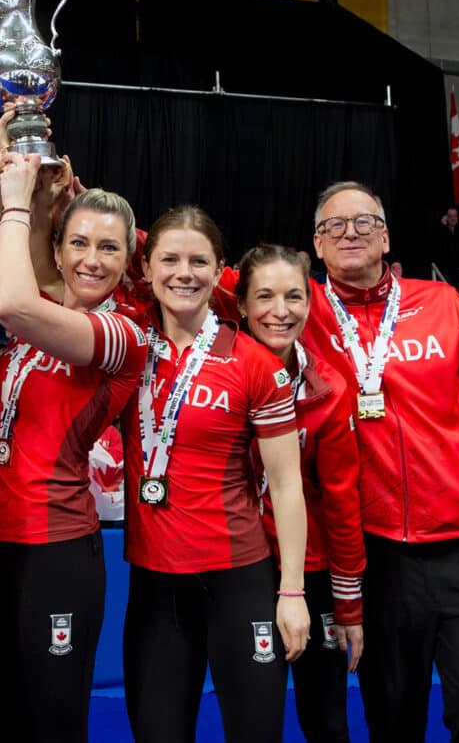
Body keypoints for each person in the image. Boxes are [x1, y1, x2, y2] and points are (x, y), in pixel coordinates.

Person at [302, 180, 459, 742]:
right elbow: (190, 266)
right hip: (377, 558)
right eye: (335, 225)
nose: (350, 232)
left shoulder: (442, 304)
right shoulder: (298, 308)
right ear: (317, 245)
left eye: (364, 223)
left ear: (385, 238)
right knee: (392, 714)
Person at [0, 155, 148, 743]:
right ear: (59, 251)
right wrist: (2, 173)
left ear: (127, 260)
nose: (92, 259)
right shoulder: (43, 304)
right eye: (80, 243)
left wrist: (17, 204)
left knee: (51, 726)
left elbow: (11, 302)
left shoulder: (123, 335)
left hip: (54, 553)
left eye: (109, 248)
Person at [119, 206, 309, 743]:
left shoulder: (256, 363)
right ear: (148, 267)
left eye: (199, 260)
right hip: (154, 587)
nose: (185, 272)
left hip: (238, 579)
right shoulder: (125, 346)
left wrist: (291, 592)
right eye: (170, 259)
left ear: (219, 268)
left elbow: (287, 484)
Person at [236, 243, 365, 743]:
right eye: (264, 296)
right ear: (242, 304)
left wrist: (349, 607)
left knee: (328, 720)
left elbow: (341, 499)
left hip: (311, 573)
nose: (280, 310)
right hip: (240, 569)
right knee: (255, 715)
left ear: (310, 306)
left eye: (294, 296)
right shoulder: (215, 374)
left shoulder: (327, 390)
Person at [433, 206, 459, 301]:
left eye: (455, 216)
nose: (453, 218)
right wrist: (442, 227)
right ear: (446, 217)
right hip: (447, 268)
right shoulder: (442, 230)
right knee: (448, 294)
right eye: (450, 216)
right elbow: (437, 244)